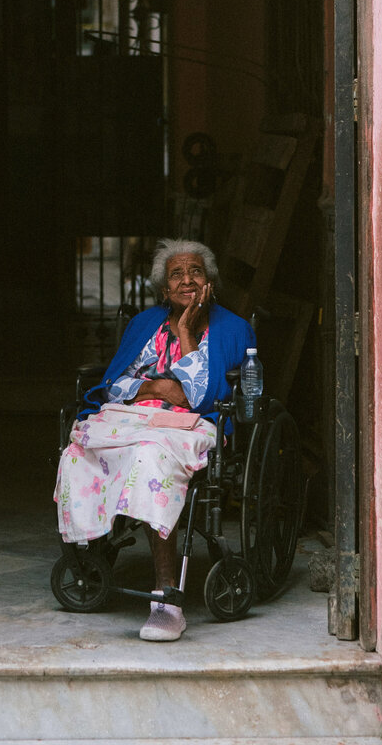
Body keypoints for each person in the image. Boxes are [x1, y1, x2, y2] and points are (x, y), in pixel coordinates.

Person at [54, 238, 253, 641]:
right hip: (133, 418)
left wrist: (184, 333)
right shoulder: (144, 324)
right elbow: (115, 386)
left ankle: (165, 596)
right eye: (176, 274)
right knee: (79, 451)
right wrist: (162, 390)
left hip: (191, 427)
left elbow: (198, 398)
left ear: (209, 283)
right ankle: (90, 547)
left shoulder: (233, 328)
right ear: (164, 289)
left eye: (196, 272)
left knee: (149, 456)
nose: (186, 281)